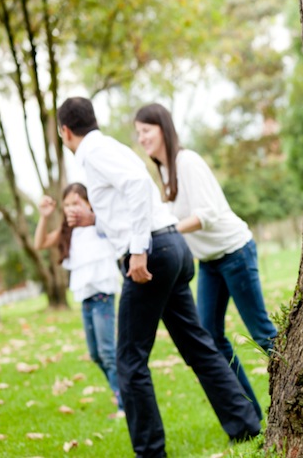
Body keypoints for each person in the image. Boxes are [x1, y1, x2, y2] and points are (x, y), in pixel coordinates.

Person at [57, 97, 260, 457]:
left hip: (152, 254)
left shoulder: (93, 153)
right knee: (198, 345)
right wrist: (95, 221)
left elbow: (136, 185)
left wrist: (137, 250)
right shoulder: (108, 147)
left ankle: (150, 452)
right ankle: (245, 425)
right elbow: (130, 203)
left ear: (65, 131)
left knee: (130, 360)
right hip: (172, 246)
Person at [134, 103, 277, 421]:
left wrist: (165, 231)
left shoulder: (187, 162)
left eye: (146, 130)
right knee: (211, 337)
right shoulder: (165, 171)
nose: (141, 137)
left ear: (163, 129)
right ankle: (249, 413)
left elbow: (207, 214)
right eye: (138, 132)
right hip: (210, 263)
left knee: (261, 331)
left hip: (235, 252)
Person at [34, 183, 124, 418]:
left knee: (107, 352)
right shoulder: (68, 233)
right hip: (85, 299)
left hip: (103, 295)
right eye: (67, 205)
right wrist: (44, 217)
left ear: (88, 203)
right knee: (95, 354)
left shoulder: (99, 226)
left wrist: (94, 217)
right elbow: (40, 243)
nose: (71, 208)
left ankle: (124, 403)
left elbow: (119, 228)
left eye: (76, 203)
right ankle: (121, 394)